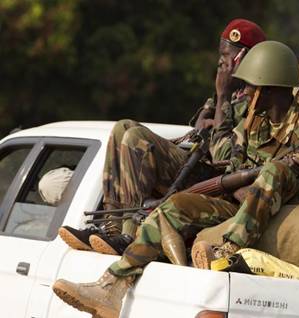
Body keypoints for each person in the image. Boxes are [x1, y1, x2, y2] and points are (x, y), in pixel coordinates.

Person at [52, 40, 299, 318]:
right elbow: (233, 163)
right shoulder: (253, 121)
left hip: (282, 210)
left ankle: (227, 250)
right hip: (241, 206)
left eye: (250, 86)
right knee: (174, 207)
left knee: (277, 170)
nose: (246, 92)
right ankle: (111, 287)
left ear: (269, 88)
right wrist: (237, 187)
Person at [57, 19, 266, 256]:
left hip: (220, 184)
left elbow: (223, 157)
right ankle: (113, 227)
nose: (221, 62)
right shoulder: (232, 92)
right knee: (122, 127)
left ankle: (129, 234)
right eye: (221, 54)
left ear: (246, 58)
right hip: (197, 168)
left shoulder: (255, 99)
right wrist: (209, 118)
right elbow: (198, 132)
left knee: (137, 138)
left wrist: (222, 96)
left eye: (228, 56)